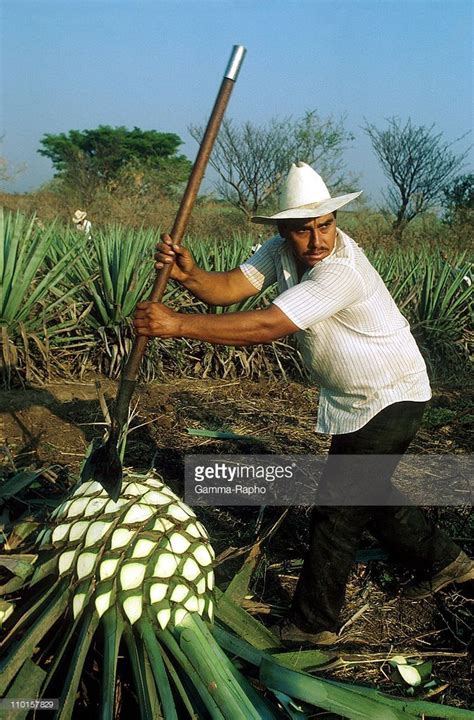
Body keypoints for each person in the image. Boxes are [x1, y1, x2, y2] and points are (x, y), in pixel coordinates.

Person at [133, 162, 474, 646]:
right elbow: (231, 288)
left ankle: (313, 626)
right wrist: (191, 277)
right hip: (356, 396)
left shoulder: (340, 272)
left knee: (337, 507)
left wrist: (177, 324)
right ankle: (448, 563)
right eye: (303, 230)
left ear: (334, 221)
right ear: (283, 231)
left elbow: (267, 326)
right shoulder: (280, 250)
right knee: (367, 490)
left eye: (325, 225)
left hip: (391, 393)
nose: (317, 240)